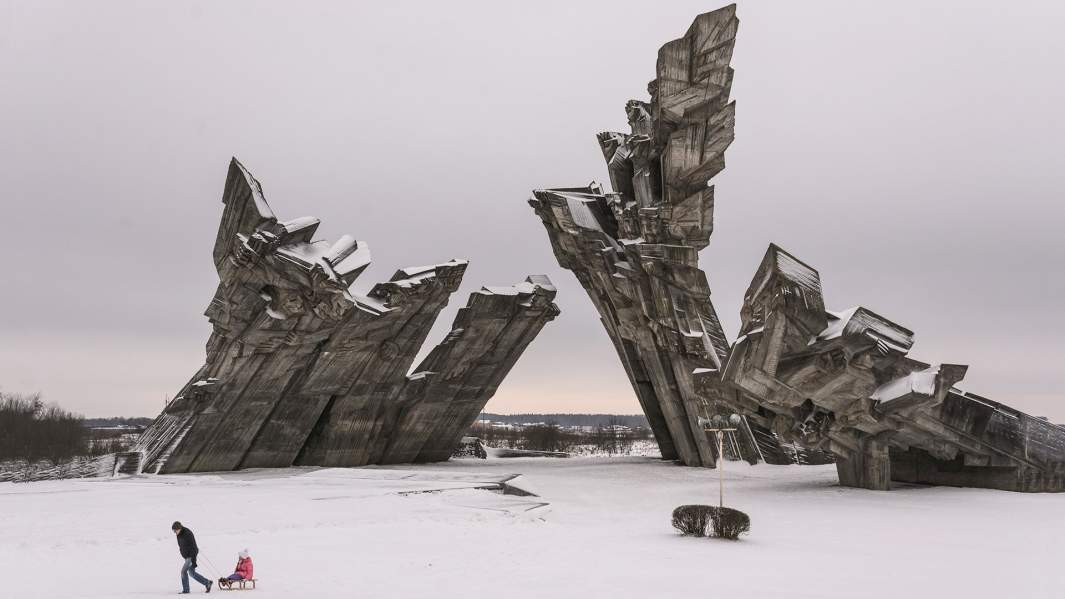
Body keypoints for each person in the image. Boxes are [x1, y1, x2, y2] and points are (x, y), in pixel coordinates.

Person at [172, 521, 212, 594]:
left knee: (183, 572)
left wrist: (193, 561)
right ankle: (207, 582)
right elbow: (181, 546)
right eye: (173, 531)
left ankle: (186, 590)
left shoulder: (187, 533)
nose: (175, 532)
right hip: (187, 556)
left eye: (175, 530)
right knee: (192, 573)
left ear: (179, 528)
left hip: (191, 555)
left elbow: (193, 547)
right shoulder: (178, 534)